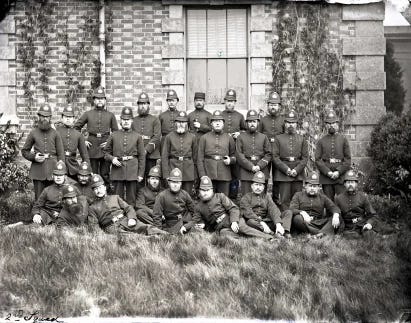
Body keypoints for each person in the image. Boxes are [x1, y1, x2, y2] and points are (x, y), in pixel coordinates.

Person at [182, 176, 274, 240]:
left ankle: (269, 238)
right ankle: (247, 239)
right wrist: (185, 227)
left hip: (231, 219)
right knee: (224, 234)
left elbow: (233, 208)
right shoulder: (199, 207)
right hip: (220, 227)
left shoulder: (220, 196)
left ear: (212, 190)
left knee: (242, 228)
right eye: (203, 190)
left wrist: (234, 222)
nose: (205, 193)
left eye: (208, 190)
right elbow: (194, 220)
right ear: (199, 191)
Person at [88, 174, 165, 235]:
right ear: (93, 191)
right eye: (96, 189)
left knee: (146, 227)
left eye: (100, 187)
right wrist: (101, 235)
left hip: (125, 220)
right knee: (128, 237)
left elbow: (129, 208)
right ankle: (150, 239)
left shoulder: (115, 197)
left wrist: (132, 218)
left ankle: (168, 236)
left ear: (104, 188)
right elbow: (93, 226)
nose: (99, 190)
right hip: (111, 227)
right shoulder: (92, 207)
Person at [74, 86, 118, 184]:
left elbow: (116, 132)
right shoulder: (88, 114)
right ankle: (92, 193)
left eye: (102, 98)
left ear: (105, 100)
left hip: (105, 148)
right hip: (91, 146)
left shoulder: (110, 115)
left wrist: (109, 142)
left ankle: (105, 193)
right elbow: (76, 127)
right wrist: (83, 140)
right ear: (94, 100)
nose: (99, 101)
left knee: (105, 173)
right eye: (97, 98)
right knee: (92, 172)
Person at [22, 104, 65, 200]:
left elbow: (61, 154)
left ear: (50, 118)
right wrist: (34, 157)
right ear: (39, 117)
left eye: (47, 116)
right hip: (38, 170)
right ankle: (37, 214)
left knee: (53, 198)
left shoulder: (55, 133)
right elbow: (24, 151)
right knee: (39, 198)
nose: (44, 118)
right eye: (42, 116)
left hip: (53, 170)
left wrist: (61, 171)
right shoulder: (33, 133)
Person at [104, 107, 145, 206]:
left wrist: (140, 174)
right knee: (117, 198)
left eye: (128, 119)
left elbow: (142, 156)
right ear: (120, 121)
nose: (126, 122)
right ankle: (119, 217)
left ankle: (131, 218)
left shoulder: (137, 136)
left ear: (132, 121)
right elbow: (105, 153)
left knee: (131, 198)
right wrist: (112, 158)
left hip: (132, 170)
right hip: (118, 170)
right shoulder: (114, 135)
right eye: (124, 119)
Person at [282, 172, 341, 238]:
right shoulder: (298, 195)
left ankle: (317, 233)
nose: (312, 188)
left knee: (338, 217)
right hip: (304, 222)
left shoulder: (323, 197)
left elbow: (333, 207)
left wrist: (336, 215)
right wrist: (302, 213)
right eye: (310, 186)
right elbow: (292, 209)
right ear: (305, 186)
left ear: (319, 188)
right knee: (297, 219)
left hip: (318, 222)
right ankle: (322, 233)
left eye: (315, 186)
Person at [272, 110, 308, 210]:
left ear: (296, 124)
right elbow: (275, 157)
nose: (290, 125)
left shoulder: (302, 139)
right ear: (285, 123)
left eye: (293, 122)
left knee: (297, 200)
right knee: (284, 201)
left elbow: (305, 158)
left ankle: (296, 222)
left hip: (298, 174)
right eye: (288, 122)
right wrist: (286, 169)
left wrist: (296, 170)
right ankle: (286, 222)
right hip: (283, 174)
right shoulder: (278, 138)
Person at [197, 110, 236, 196]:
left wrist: (231, 160)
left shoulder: (229, 138)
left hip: (224, 174)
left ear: (223, 124)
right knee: (208, 199)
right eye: (215, 121)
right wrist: (202, 175)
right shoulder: (204, 138)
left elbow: (234, 155)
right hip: (208, 173)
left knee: (224, 199)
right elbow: (200, 158)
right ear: (211, 124)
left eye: (219, 121)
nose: (217, 123)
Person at [240, 171, 290, 238]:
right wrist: (261, 222)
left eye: (260, 185)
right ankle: (271, 233)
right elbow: (248, 213)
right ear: (252, 186)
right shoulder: (246, 197)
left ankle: (284, 232)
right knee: (250, 222)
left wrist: (278, 223)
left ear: (263, 187)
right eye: (256, 184)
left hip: (266, 221)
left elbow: (273, 209)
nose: (258, 187)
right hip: (255, 223)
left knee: (288, 212)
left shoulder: (267, 197)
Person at [315, 110, 351, 201]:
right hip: (326, 177)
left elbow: (348, 160)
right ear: (326, 125)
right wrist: (328, 172)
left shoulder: (343, 140)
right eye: (329, 123)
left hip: (340, 176)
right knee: (328, 202)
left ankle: (341, 216)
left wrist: (338, 172)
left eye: (333, 123)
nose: (331, 125)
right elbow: (318, 160)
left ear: (337, 124)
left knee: (342, 201)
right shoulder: (321, 141)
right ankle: (329, 216)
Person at [236, 109, 271, 195]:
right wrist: (251, 167)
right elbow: (239, 155)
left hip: (261, 171)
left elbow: (269, 154)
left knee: (261, 199)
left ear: (258, 123)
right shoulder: (241, 137)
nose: (252, 124)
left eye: (254, 121)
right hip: (246, 171)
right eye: (250, 121)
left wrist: (259, 166)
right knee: (246, 197)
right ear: (246, 123)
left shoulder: (264, 137)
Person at [161, 111, 197, 195]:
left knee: (187, 195)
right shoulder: (169, 137)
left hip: (188, 170)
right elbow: (164, 156)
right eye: (179, 122)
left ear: (187, 124)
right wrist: (166, 174)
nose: (181, 124)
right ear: (175, 123)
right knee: (173, 195)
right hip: (173, 168)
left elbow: (195, 157)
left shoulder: (192, 137)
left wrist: (195, 174)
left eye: (183, 122)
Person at [32, 161, 78, 225]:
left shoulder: (73, 188)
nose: (58, 177)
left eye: (61, 175)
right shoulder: (47, 190)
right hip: (49, 214)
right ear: (52, 176)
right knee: (40, 218)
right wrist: (36, 214)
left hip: (64, 214)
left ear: (65, 176)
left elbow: (79, 204)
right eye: (56, 175)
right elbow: (37, 205)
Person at [259, 91, 285, 204]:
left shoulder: (283, 120)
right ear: (268, 106)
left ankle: (276, 199)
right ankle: (262, 199)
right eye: (271, 104)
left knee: (277, 177)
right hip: (266, 153)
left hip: (279, 153)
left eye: (275, 105)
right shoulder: (263, 120)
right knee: (264, 176)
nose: (273, 107)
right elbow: (259, 136)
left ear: (279, 106)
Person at [335, 170, 377, 237]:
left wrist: (369, 223)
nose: (350, 184)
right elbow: (336, 212)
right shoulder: (338, 198)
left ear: (356, 184)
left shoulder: (363, 197)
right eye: (348, 182)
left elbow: (373, 214)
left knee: (369, 235)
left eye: (352, 182)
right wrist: (336, 216)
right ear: (344, 184)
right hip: (345, 225)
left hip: (360, 224)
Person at [152, 168, 195, 234]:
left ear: (181, 183)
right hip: (170, 224)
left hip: (184, 221)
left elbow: (194, 211)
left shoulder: (185, 194)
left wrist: (188, 225)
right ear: (169, 183)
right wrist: (159, 232)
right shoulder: (162, 196)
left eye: (178, 182)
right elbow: (157, 216)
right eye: (173, 182)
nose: (175, 185)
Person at [221, 89, 246, 200]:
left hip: (235, 148)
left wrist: (239, 133)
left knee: (235, 173)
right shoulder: (220, 115)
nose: (229, 103)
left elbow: (246, 131)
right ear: (225, 102)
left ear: (235, 102)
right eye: (227, 101)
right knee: (224, 170)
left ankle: (234, 197)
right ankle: (223, 196)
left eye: (232, 101)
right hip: (223, 147)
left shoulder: (240, 116)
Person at [132, 92, 161, 181]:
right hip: (137, 154)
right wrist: (139, 151)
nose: (142, 106)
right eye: (140, 104)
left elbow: (156, 137)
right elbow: (131, 137)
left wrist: (146, 150)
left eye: (144, 103)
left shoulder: (155, 120)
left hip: (151, 154)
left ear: (148, 105)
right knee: (138, 180)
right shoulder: (133, 120)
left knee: (151, 178)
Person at [56, 105, 90, 180]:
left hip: (72, 165)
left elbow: (84, 154)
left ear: (74, 119)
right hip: (59, 163)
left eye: (70, 117)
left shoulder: (78, 134)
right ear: (62, 118)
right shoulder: (56, 132)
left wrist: (89, 169)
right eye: (66, 116)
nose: (68, 118)